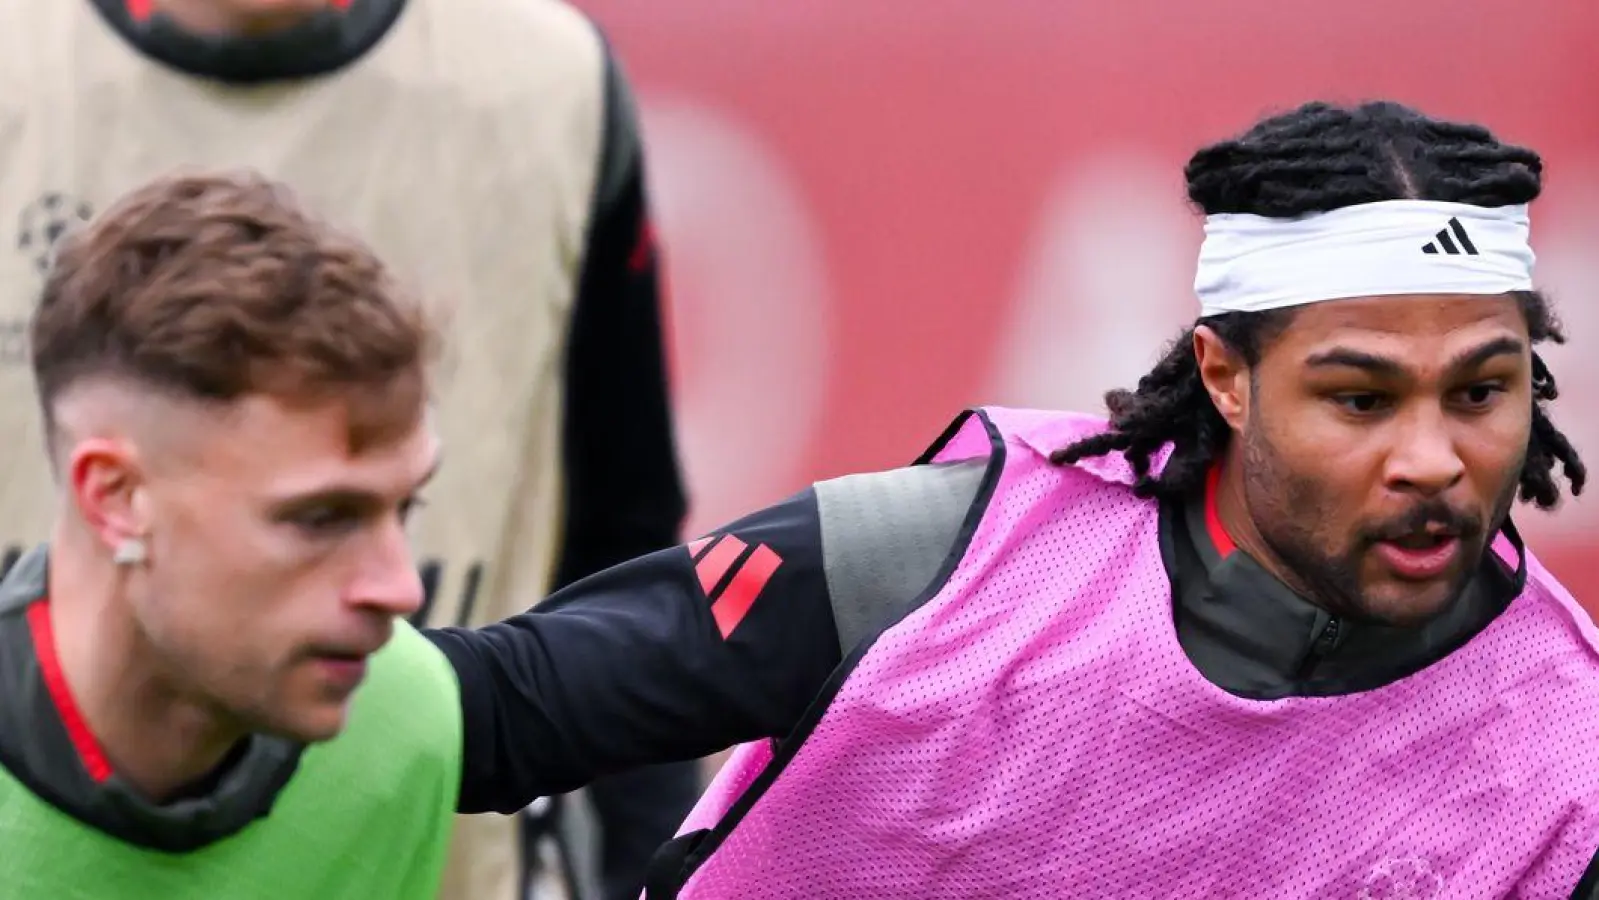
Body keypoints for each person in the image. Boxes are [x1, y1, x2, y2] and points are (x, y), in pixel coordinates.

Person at [434, 100, 1599, 898]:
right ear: (1226, 378)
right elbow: (489, 712)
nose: (1434, 459)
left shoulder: (1570, 762)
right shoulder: (940, 558)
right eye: (1360, 399)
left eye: (1482, 391)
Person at [0, 0, 698, 897]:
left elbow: (623, 538)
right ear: (111, 496)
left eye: (402, 511)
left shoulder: (551, 86)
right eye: (320, 515)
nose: (396, 589)